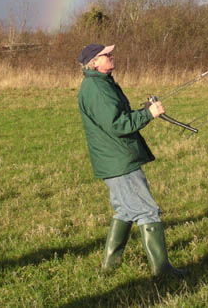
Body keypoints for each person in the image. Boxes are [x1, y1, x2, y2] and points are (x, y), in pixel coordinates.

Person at [77, 43, 185, 277]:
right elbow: (118, 125)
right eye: (107, 55)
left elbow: (117, 118)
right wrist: (149, 114)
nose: (111, 56)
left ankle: (109, 267)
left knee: (125, 210)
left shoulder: (102, 83)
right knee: (147, 211)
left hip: (115, 157)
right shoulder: (96, 88)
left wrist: (144, 110)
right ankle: (162, 271)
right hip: (119, 160)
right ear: (94, 62)